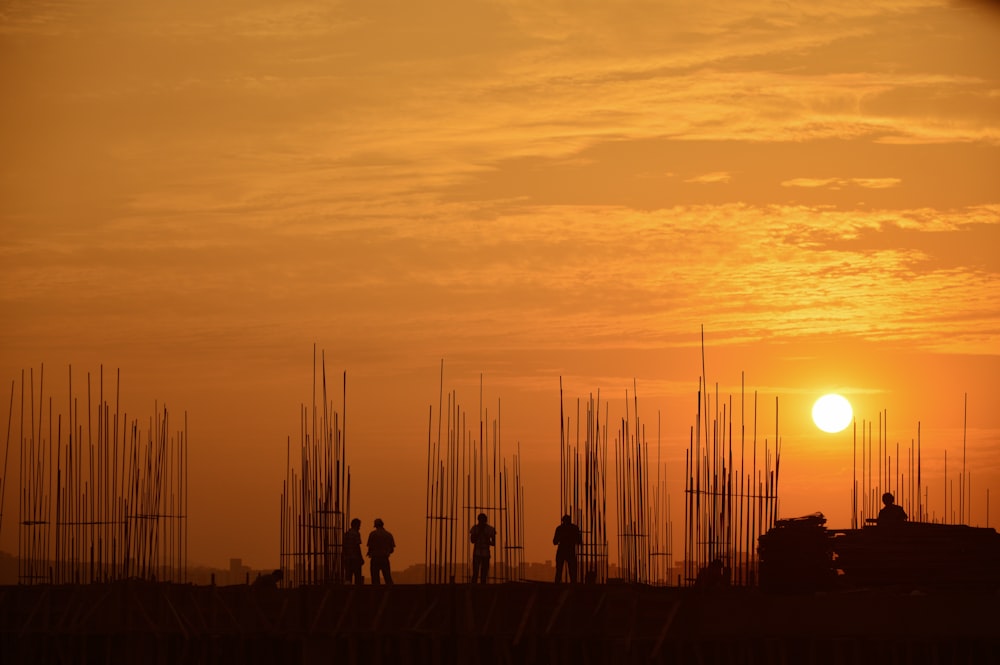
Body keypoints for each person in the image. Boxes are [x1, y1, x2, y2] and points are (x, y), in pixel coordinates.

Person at [552, 514, 582, 583]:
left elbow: (555, 542)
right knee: (572, 572)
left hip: (562, 551)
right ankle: (573, 585)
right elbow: (579, 541)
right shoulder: (574, 528)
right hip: (570, 551)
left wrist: (562, 538)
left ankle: (557, 585)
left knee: (559, 571)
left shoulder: (560, 528)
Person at [366, 517, 396, 585]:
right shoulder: (388, 534)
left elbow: (370, 548)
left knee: (375, 579)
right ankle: (391, 593)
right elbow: (392, 550)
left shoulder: (372, 534)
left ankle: (377, 594)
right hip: (384, 558)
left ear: (375, 526)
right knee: (387, 578)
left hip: (375, 558)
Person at [469, 512, 496, 584]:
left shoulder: (490, 529)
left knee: (484, 573)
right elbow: (472, 540)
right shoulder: (475, 528)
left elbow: (494, 543)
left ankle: (482, 587)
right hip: (477, 553)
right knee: (475, 572)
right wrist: (478, 534)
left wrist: (487, 541)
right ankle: (474, 586)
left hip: (485, 553)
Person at [343, 518, 364, 585]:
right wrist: (361, 558)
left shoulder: (347, 534)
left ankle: (347, 591)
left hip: (347, 559)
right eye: (359, 525)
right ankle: (357, 592)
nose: (359, 527)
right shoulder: (356, 533)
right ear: (356, 525)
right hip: (355, 558)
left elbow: (344, 547)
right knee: (357, 577)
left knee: (348, 577)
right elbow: (357, 547)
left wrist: (344, 557)